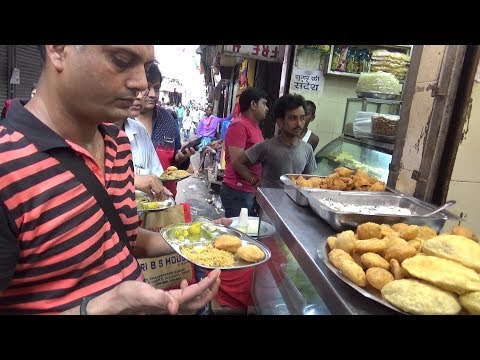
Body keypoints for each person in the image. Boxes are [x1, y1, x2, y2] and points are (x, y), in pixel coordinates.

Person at [0, 45, 220, 314]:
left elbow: (118, 237)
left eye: (146, 67)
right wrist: (106, 306)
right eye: (121, 60)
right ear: (58, 50)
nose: (140, 83)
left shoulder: (118, 145)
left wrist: (201, 237)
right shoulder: (8, 165)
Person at [215, 87, 268, 312]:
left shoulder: (255, 127)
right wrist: (255, 184)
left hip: (247, 192)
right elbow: (236, 161)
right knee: (234, 242)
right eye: (264, 103)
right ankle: (226, 295)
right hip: (238, 191)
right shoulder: (239, 125)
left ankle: (237, 292)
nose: (267, 108)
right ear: (253, 104)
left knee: (243, 240)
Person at [135, 63, 196, 198]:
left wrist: (181, 158)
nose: (152, 94)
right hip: (130, 203)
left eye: (156, 88)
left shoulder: (168, 119)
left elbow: (175, 165)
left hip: (164, 200)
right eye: (147, 88)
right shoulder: (121, 120)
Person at [234, 93, 316, 189]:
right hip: (267, 203)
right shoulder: (267, 146)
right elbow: (238, 163)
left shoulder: (307, 149)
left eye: (302, 118)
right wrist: (253, 180)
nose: (299, 123)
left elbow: (309, 179)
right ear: (280, 122)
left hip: (292, 203)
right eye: (293, 118)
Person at [113, 87, 171, 200]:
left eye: (143, 90)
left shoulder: (140, 131)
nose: (139, 96)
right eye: (131, 88)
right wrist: (133, 181)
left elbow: (156, 173)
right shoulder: (88, 133)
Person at [194, 105, 233, 176]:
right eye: (207, 110)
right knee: (202, 154)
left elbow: (226, 119)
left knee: (208, 153)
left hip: (210, 139)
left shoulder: (215, 119)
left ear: (211, 111)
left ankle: (206, 168)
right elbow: (199, 129)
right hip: (202, 138)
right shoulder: (203, 119)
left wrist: (233, 113)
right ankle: (201, 169)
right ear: (206, 111)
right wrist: (198, 137)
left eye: (210, 110)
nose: (208, 111)